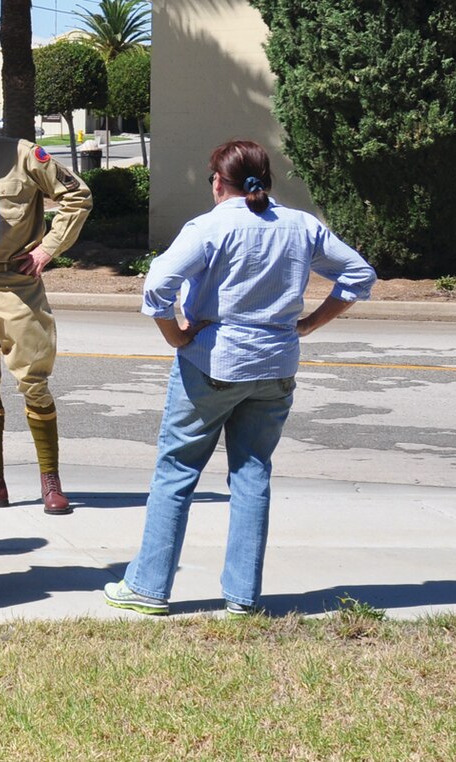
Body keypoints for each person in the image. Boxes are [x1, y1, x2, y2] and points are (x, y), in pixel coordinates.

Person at [104, 141, 373, 616]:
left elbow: (157, 286)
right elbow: (358, 274)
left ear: (216, 181)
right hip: (276, 366)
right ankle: (243, 597)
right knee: (252, 475)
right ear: (265, 179)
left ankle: (149, 588)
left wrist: (178, 336)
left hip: (213, 365)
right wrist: (309, 323)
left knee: (177, 472)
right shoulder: (301, 225)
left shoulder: (210, 227)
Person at [0, 79, 92, 514]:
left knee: (34, 383)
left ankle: (51, 482)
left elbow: (77, 195)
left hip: (15, 285)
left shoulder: (25, 154)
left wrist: (48, 248)